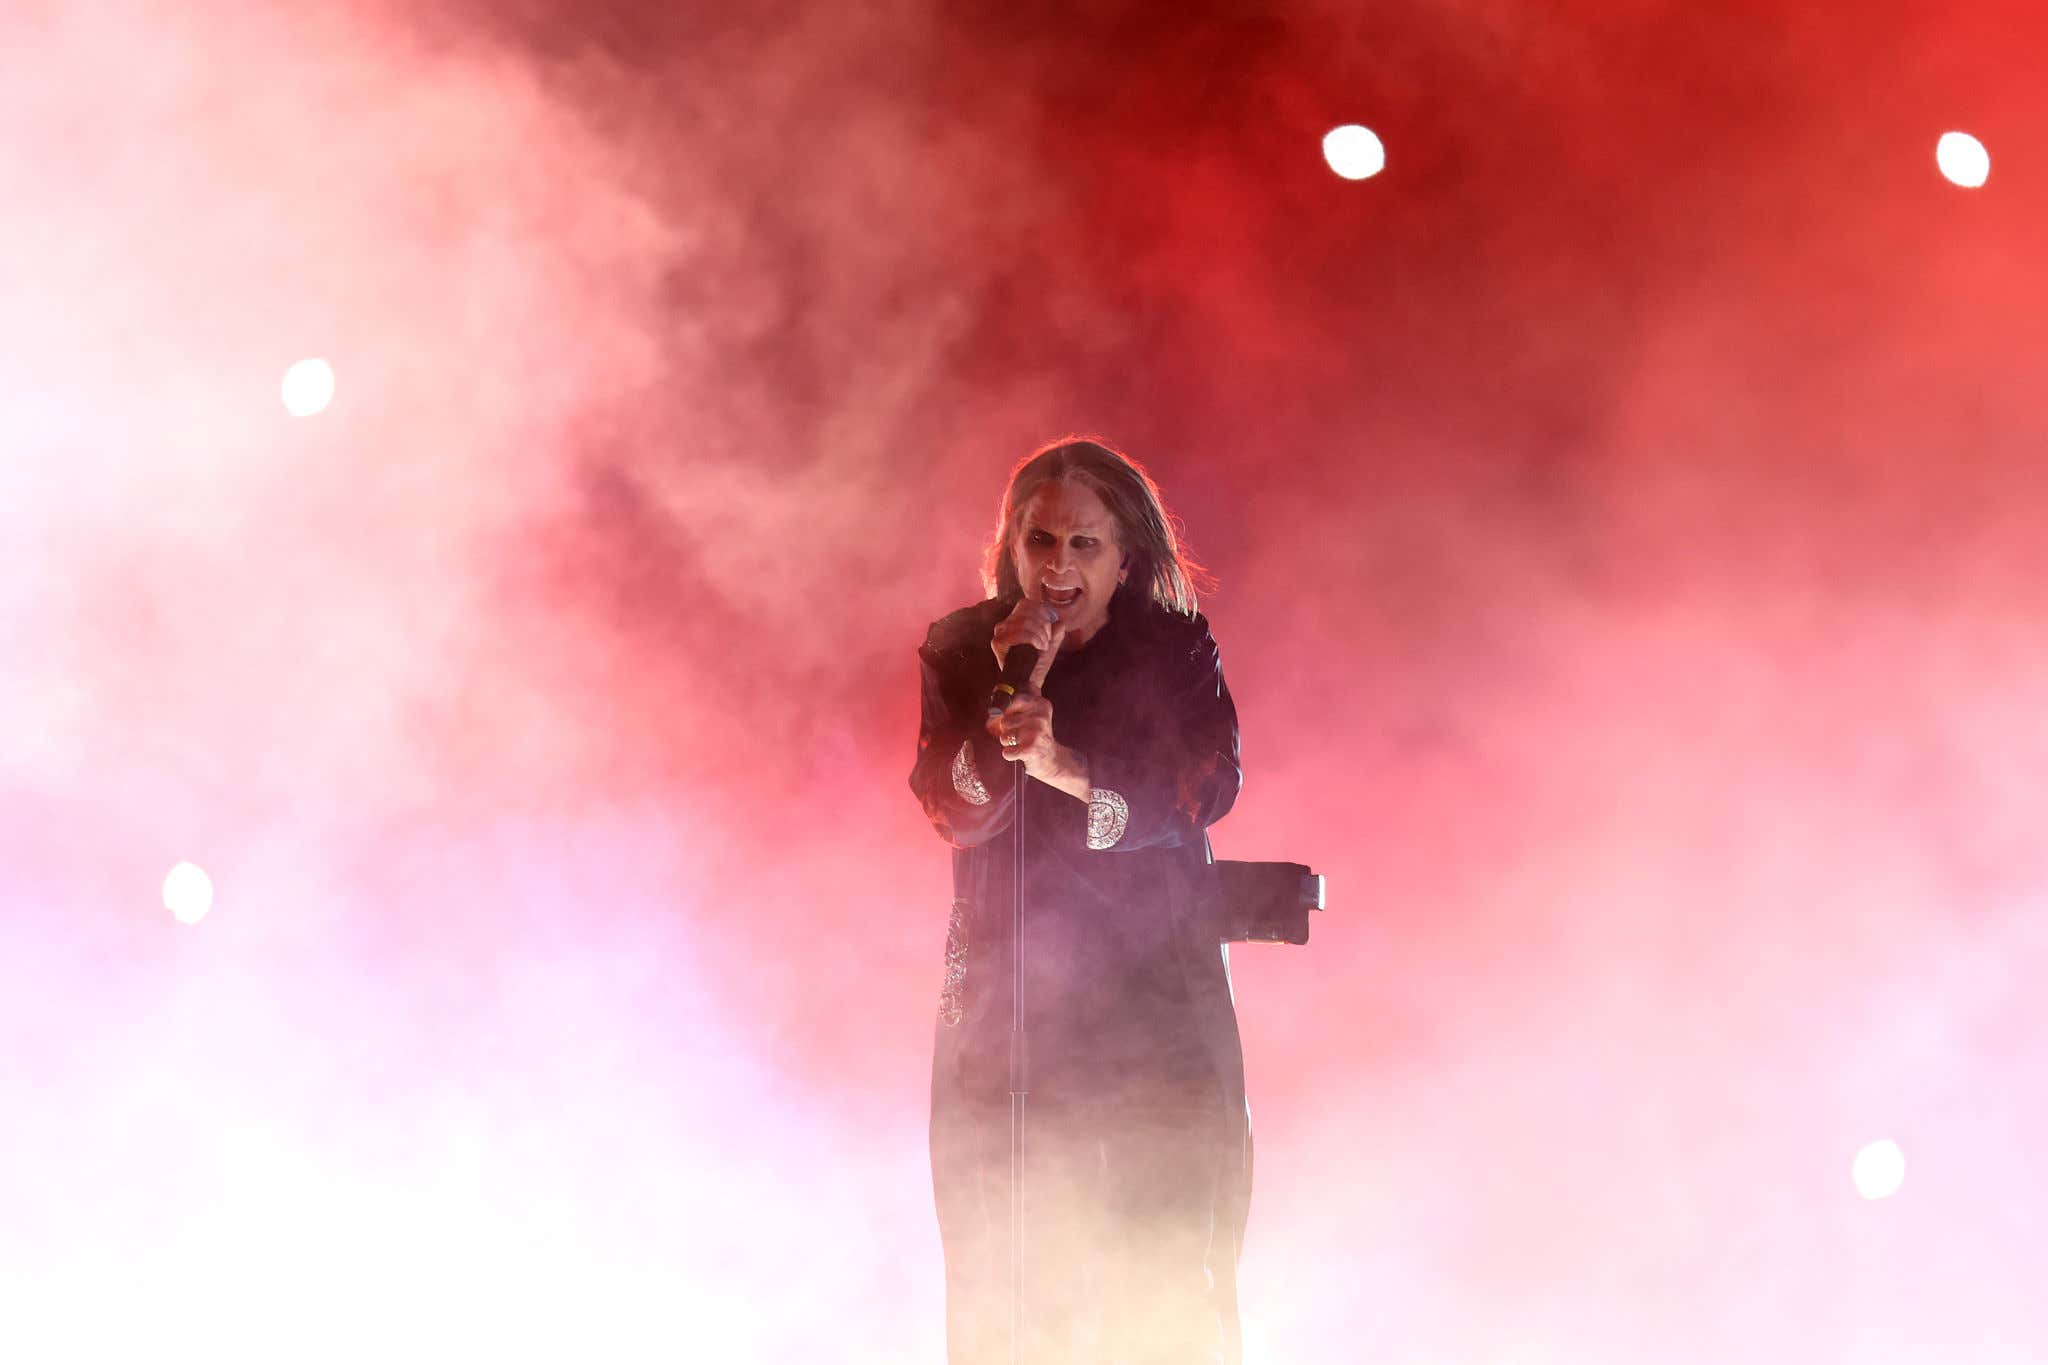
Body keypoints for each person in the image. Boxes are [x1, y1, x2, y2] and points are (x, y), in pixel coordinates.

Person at [910, 437, 1250, 1364]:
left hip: (1156, 1002)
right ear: (1012, 546)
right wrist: (1020, 692)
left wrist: (1063, 765)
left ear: (1126, 557)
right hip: (1005, 1012)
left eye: (1083, 546)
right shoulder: (963, 649)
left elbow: (1205, 786)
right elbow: (951, 806)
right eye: (1040, 541)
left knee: (1169, 1272)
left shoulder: (1175, 649)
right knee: (1008, 1275)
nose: (1058, 566)